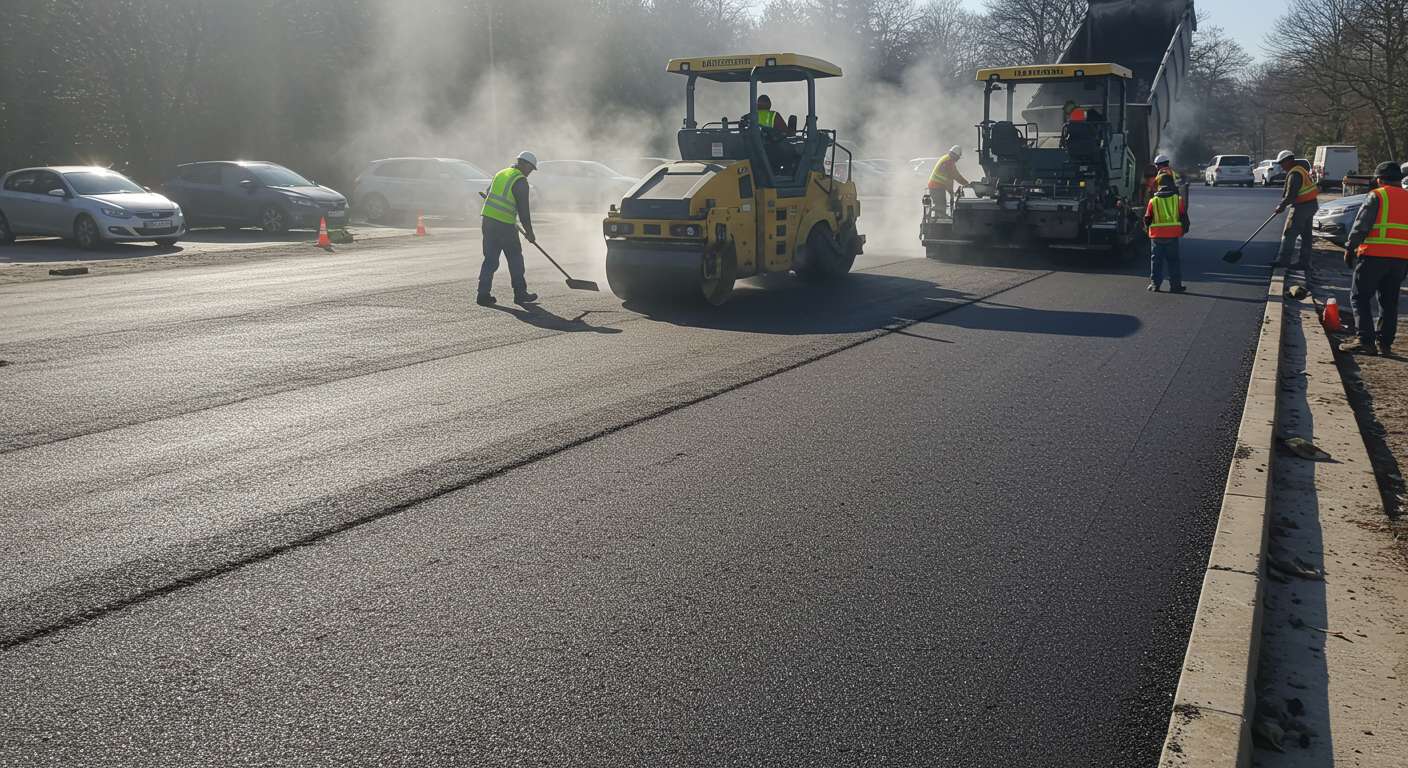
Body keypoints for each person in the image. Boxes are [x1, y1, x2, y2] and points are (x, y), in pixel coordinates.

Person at [1339, 161, 1408, 356]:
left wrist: (1349, 248)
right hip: (1401, 259)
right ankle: (1385, 344)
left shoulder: (1377, 196)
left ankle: (1365, 340)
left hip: (1374, 256)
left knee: (1360, 297)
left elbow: (1361, 226)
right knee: (1389, 301)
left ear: (1379, 179)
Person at [478, 151, 539, 306]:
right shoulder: (520, 181)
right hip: (504, 226)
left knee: (490, 259)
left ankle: (482, 294)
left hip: (488, 221)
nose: (529, 172)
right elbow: (524, 211)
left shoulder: (501, 173)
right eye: (530, 169)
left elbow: (488, 192)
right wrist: (530, 233)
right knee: (515, 259)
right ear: (524, 164)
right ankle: (520, 294)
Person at [1271, 149, 1318, 270]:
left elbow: (1291, 195)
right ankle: (1304, 262)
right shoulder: (1301, 170)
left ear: (1289, 161)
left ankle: (1283, 261)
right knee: (1306, 235)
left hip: (1302, 207)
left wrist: (1281, 206)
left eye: (1282, 163)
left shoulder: (1294, 174)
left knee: (1290, 233)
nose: (1281, 166)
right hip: (1311, 205)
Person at [1145, 173, 1190, 292]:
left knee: (1156, 262)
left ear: (1158, 185)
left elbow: (1147, 218)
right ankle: (1175, 286)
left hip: (1156, 236)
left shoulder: (1153, 201)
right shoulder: (1177, 199)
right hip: (1172, 236)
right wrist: (1184, 229)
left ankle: (1155, 285)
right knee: (1173, 261)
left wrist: (1147, 230)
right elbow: (1183, 216)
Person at [927, 146, 969, 215]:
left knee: (940, 205)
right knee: (941, 206)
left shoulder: (946, 158)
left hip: (936, 186)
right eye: (958, 157)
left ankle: (939, 218)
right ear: (955, 156)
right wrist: (966, 183)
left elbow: (950, 179)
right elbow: (956, 176)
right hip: (936, 186)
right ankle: (939, 220)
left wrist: (951, 193)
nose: (958, 159)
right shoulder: (949, 162)